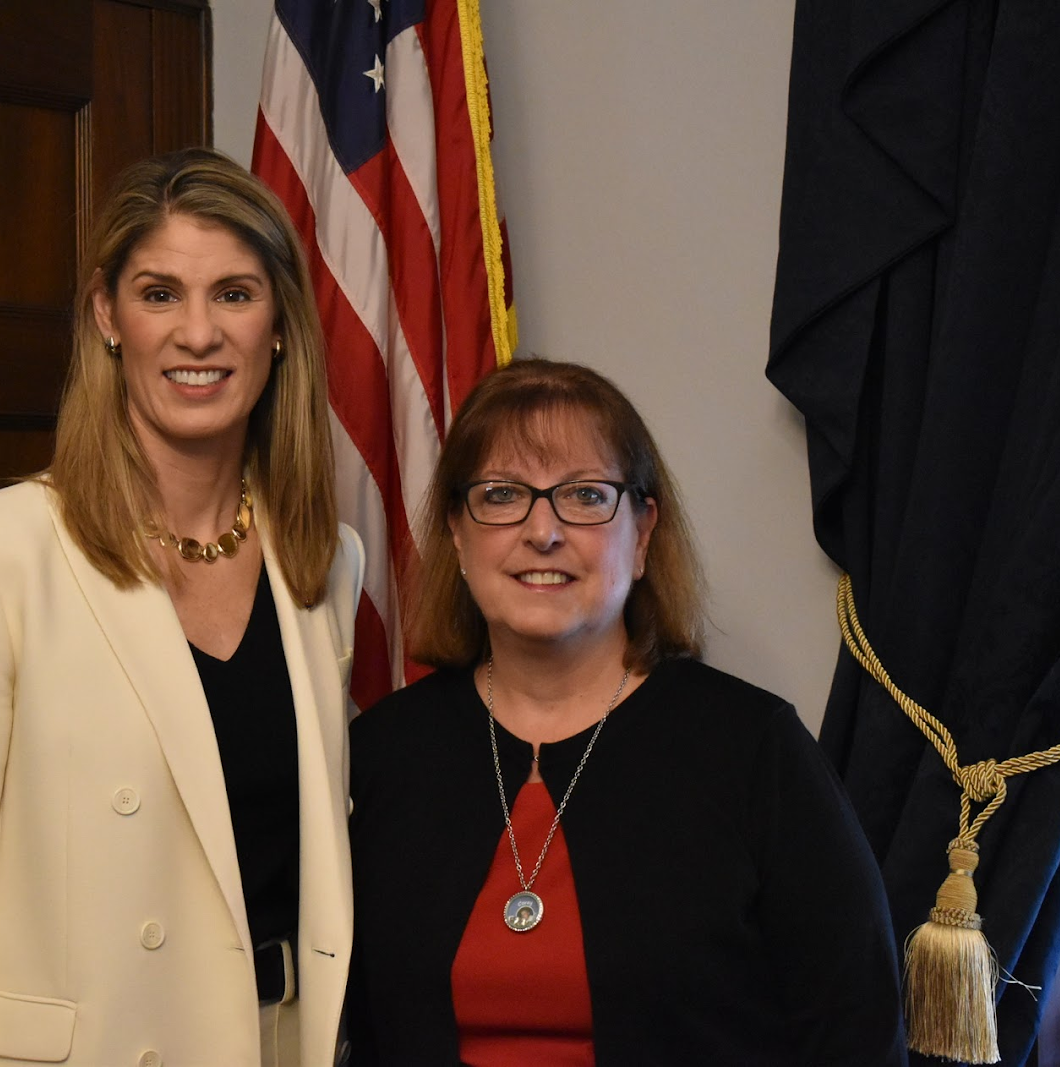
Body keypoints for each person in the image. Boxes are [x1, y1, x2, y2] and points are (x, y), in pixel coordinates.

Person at [0, 148, 364, 1067]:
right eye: (160, 294)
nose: (198, 334)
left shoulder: (325, 560)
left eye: (234, 294)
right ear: (107, 315)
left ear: (280, 324)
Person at [344, 359, 906, 1066]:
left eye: (584, 495)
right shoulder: (383, 754)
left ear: (641, 534)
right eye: (502, 494)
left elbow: (856, 1037)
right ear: (457, 532)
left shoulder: (754, 753)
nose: (542, 530)